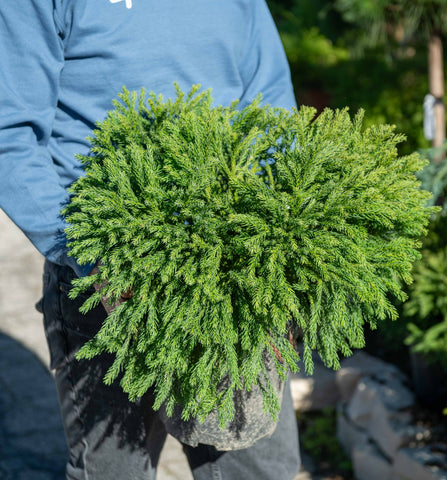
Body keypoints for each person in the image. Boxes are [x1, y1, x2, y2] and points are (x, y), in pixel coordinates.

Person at [0, 1, 301, 479]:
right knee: (113, 470)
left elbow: (272, 111)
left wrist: (282, 242)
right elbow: (9, 135)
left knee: (258, 468)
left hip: (233, 275)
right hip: (102, 277)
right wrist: (95, 260)